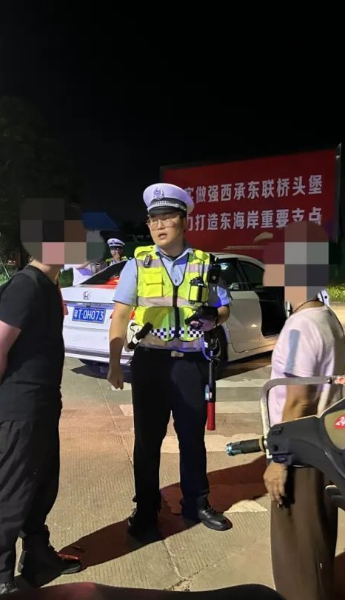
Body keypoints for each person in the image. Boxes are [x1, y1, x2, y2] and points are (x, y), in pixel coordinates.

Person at [0, 199, 91, 595]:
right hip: (22, 406)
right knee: (12, 490)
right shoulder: (26, 285)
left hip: (43, 402)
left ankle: (38, 556)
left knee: (41, 485)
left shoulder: (48, 284)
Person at [107, 182, 233, 540]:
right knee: (147, 441)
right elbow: (120, 315)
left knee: (192, 438)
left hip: (191, 364)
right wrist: (115, 363)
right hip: (150, 363)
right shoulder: (137, 264)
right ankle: (146, 509)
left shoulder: (204, 263)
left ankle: (196, 503)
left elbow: (224, 308)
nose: (159, 225)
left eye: (167, 217)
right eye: (153, 219)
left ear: (184, 220)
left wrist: (214, 318)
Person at [261, 221, 345, 600]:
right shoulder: (327, 318)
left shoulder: (299, 327)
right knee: (317, 543)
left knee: (297, 555)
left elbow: (299, 399)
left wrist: (279, 461)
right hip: (323, 447)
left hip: (300, 456)